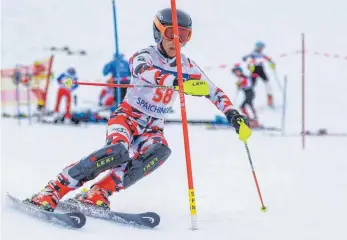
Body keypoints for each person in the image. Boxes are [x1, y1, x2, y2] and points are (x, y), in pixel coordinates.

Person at [28, 8, 250, 212]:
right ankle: (53, 190)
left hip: (153, 127)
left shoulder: (188, 66)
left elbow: (214, 92)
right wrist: (177, 81)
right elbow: (144, 71)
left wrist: (233, 115)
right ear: (158, 32)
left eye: (184, 35)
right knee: (116, 151)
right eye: (171, 32)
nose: (176, 40)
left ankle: (99, 191)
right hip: (127, 118)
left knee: (159, 151)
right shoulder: (145, 55)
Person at [242, 41, 275, 107]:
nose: (261, 48)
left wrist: (271, 63)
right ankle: (248, 100)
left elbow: (268, 59)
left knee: (267, 83)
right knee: (251, 86)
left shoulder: (262, 54)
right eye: (260, 47)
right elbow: (245, 58)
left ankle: (270, 100)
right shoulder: (253, 53)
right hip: (254, 70)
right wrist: (249, 64)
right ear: (257, 47)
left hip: (261, 70)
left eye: (262, 47)